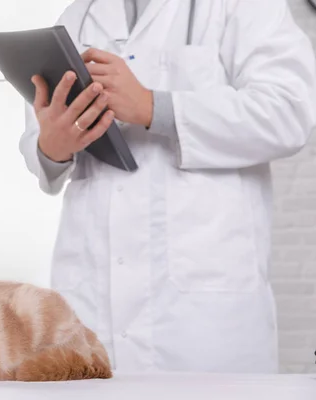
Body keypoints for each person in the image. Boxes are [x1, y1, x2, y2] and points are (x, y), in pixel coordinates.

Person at [19, 0, 316, 373]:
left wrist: (151, 106)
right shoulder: (80, 15)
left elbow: (289, 111)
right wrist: (53, 146)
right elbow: (39, 142)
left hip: (199, 319)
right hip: (91, 298)